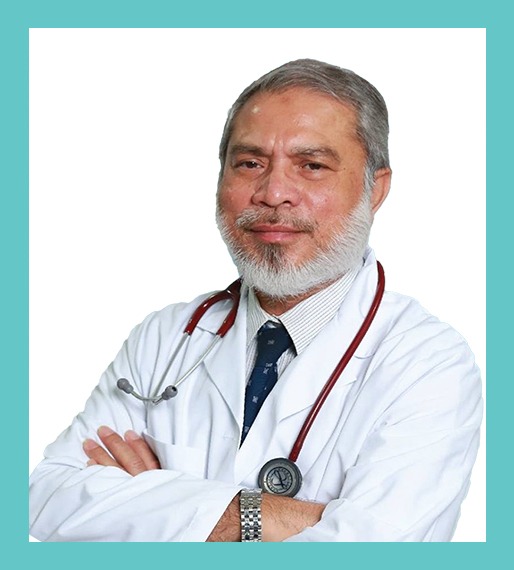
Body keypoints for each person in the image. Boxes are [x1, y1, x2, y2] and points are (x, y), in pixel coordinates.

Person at [29, 58, 482, 542]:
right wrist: (276, 517)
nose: (274, 193)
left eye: (311, 166)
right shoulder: (165, 338)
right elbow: (46, 496)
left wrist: (151, 500)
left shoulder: (429, 364)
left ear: (376, 190)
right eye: (250, 164)